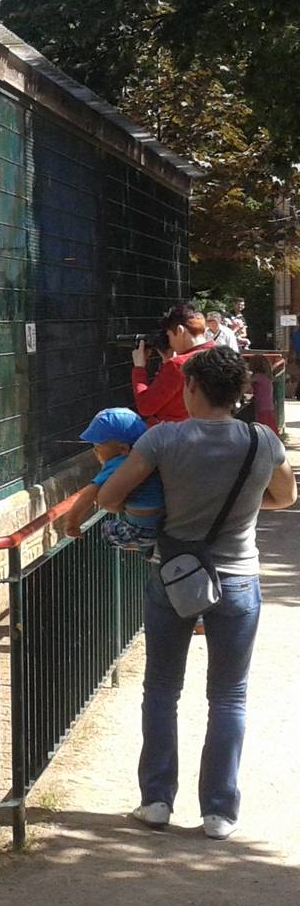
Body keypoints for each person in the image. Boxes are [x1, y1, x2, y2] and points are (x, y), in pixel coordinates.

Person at [99, 347, 296, 839]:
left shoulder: (164, 438)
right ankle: (219, 813)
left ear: (190, 387)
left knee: (162, 690)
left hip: (174, 576)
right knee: (229, 696)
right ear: (239, 393)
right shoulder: (262, 440)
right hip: (239, 579)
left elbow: (109, 496)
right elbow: (286, 497)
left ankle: (157, 801)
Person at [59, 408, 164, 549]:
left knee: (107, 529)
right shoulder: (150, 458)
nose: (94, 451)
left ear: (123, 449)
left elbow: (89, 495)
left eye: (98, 446)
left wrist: (72, 523)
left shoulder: (119, 462)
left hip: (139, 530)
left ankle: (142, 546)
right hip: (164, 526)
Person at [132, 303, 215, 424]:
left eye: (169, 335)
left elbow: (145, 407)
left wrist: (139, 368)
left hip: (172, 435)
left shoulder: (178, 365)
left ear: (180, 330)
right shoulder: (218, 354)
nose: (169, 341)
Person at [241, 353, 280, 433]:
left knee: (262, 427)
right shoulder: (265, 376)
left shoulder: (258, 376)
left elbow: (245, 386)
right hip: (268, 406)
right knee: (268, 426)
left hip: (262, 407)